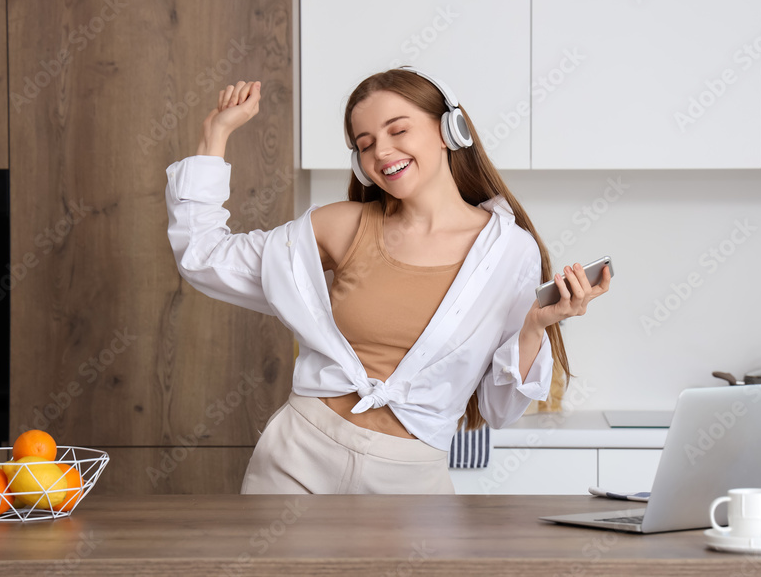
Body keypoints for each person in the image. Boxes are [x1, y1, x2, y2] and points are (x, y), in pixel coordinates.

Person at [165, 68, 611, 494]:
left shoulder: (509, 252)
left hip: (411, 477)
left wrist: (535, 326)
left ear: (449, 131)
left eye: (398, 131)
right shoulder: (341, 225)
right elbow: (204, 257)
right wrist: (216, 134)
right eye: (365, 143)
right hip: (297, 460)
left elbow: (499, 409)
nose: (381, 152)